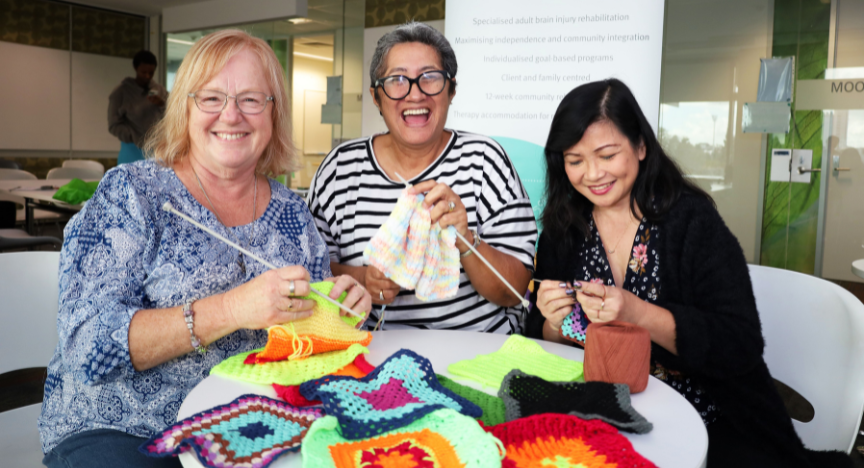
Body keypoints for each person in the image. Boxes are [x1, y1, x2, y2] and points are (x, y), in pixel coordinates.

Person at [39, 30, 372, 468]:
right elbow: (86, 342)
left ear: (274, 114)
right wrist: (233, 309)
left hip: (253, 427)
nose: (231, 115)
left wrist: (337, 310)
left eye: (252, 99)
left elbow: (303, 345)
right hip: (123, 431)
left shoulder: (295, 214)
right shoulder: (133, 194)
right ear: (185, 109)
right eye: (212, 98)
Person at [527, 79, 851, 467]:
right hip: (601, 416)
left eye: (607, 154)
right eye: (575, 160)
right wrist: (553, 323)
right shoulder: (564, 227)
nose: (592, 174)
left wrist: (638, 313)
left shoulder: (690, 220)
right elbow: (543, 340)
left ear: (641, 146)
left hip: (711, 420)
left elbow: (739, 343)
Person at [307, 22, 536, 333]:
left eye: (430, 78)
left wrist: (465, 239)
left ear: (451, 91)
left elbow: (514, 290)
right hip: (369, 357)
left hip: (475, 355)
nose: (414, 94)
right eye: (397, 80)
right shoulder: (340, 170)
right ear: (377, 97)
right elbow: (313, 272)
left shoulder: (485, 160)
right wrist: (365, 278)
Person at [108, 50, 168, 164]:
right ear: (136, 68)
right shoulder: (121, 92)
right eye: (143, 72)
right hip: (131, 149)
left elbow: (174, 116)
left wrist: (162, 103)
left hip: (156, 148)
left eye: (151, 73)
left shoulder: (159, 90)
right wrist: (132, 136)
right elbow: (113, 124)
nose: (147, 76)